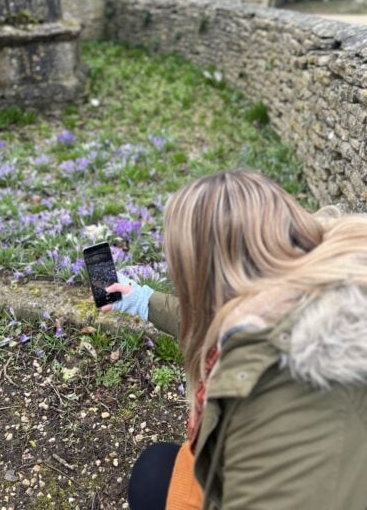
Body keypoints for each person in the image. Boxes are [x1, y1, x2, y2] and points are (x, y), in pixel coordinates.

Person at [103, 169, 367, 510]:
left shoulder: (282, 402)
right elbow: (212, 318)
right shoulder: (301, 287)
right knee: (155, 469)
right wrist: (142, 300)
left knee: (152, 478)